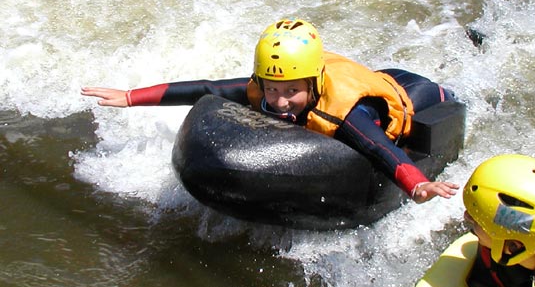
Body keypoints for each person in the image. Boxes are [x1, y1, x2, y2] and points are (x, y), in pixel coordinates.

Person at [82, 17, 459, 203]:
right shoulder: (265, 87)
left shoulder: (343, 113)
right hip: (377, 77)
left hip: (419, 95)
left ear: (314, 83)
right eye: (272, 89)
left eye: (292, 92)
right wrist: (130, 96)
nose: (279, 102)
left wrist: (417, 184)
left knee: (453, 95)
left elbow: (380, 148)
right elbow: (205, 88)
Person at [463, 154, 535, 287]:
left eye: (478, 219)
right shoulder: (491, 251)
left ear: (513, 246)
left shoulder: (500, 250)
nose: (467, 217)